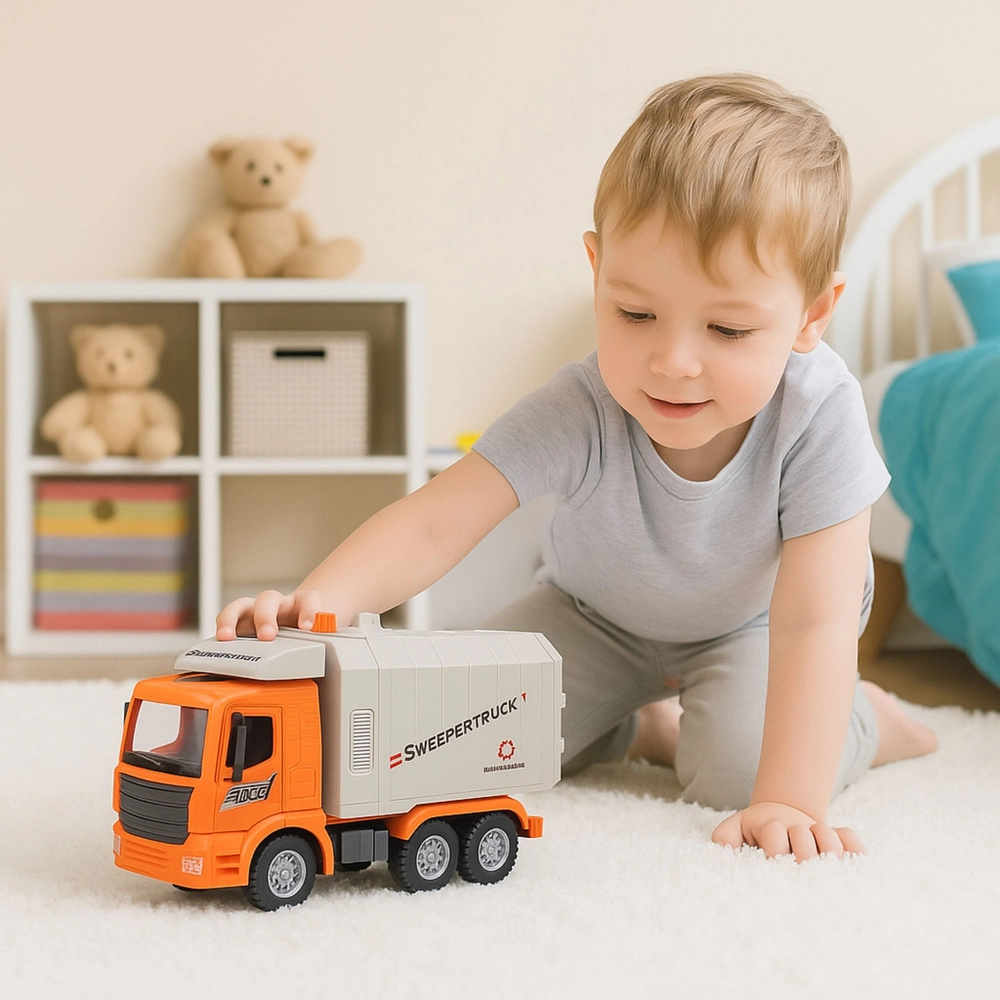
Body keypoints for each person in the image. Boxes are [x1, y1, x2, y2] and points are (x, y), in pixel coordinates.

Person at [217, 73, 937, 861]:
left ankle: (865, 721)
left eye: (728, 330)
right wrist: (313, 609)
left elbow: (815, 620)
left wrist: (791, 798)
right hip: (591, 618)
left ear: (812, 315)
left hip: (757, 629)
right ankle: (635, 725)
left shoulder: (819, 414)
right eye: (636, 314)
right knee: (448, 734)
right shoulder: (580, 406)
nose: (673, 361)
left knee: (738, 774)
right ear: (597, 270)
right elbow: (433, 524)